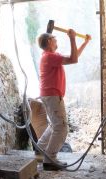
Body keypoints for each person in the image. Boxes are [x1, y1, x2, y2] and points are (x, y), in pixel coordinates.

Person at [36, 30, 91, 171]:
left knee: (55, 125)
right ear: (49, 42)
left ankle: (40, 150)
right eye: (54, 39)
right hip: (52, 95)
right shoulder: (49, 56)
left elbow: (74, 57)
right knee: (61, 127)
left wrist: (85, 42)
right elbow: (74, 59)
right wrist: (72, 38)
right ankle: (50, 159)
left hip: (49, 94)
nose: (56, 41)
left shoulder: (49, 57)